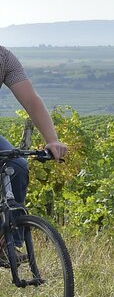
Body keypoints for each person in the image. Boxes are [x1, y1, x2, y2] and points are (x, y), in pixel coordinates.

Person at [0, 45, 70, 202]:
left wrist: (52, 140)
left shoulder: (4, 58)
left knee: (17, 166)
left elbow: (32, 101)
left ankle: (15, 225)